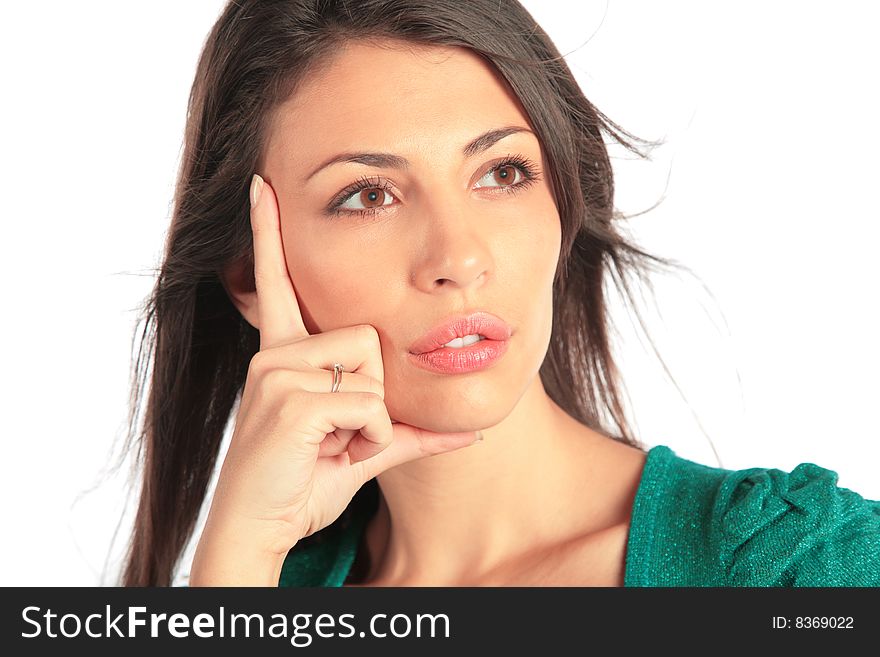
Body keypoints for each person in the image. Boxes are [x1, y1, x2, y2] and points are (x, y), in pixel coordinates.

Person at [120, 0, 880, 587]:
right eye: (367, 196)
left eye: (503, 172)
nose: (458, 258)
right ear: (253, 273)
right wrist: (239, 555)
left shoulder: (797, 571)